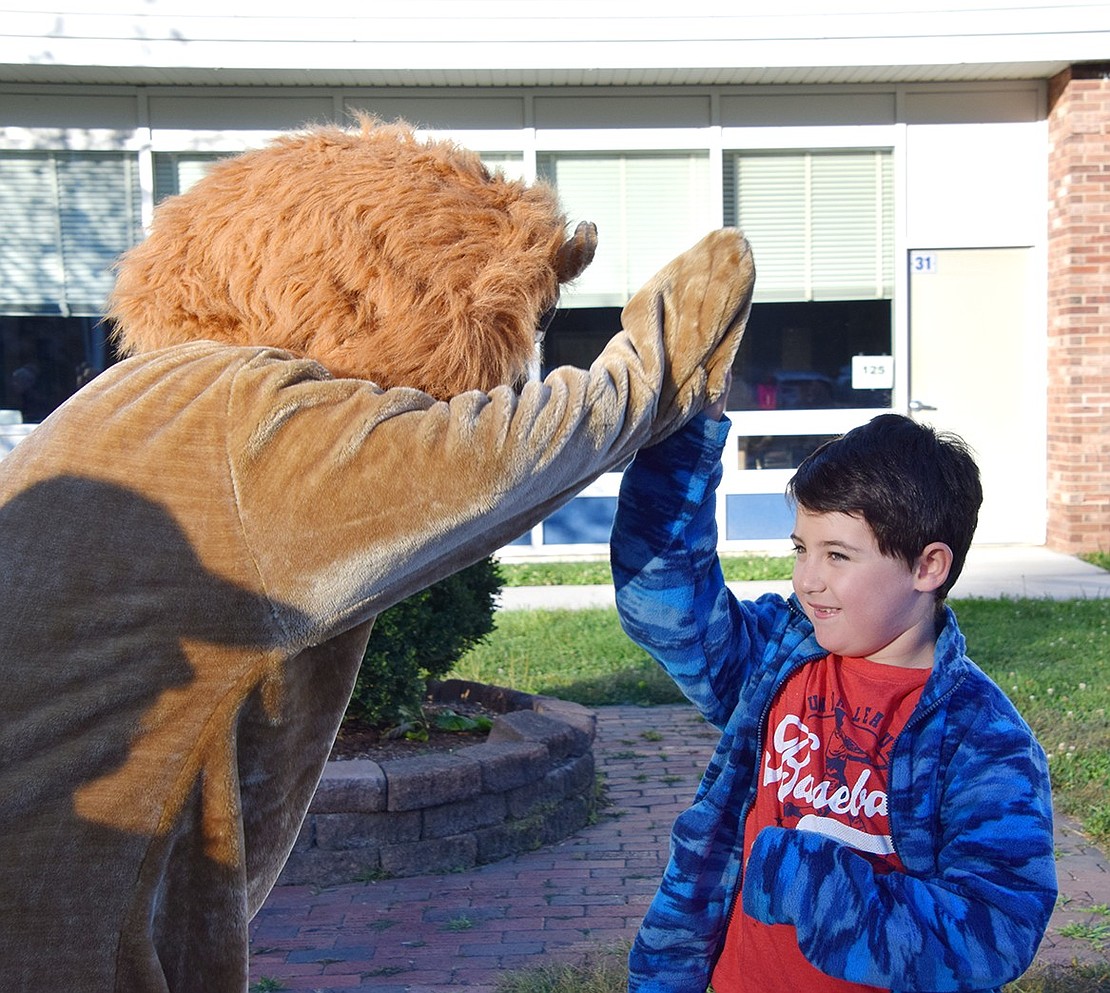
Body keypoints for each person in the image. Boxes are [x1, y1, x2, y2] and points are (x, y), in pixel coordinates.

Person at [610, 380, 1057, 993]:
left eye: (838, 556)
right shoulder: (778, 659)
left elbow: (996, 930)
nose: (806, 581)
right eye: (801, 549)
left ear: (928, 566)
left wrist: (816, 883)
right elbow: (662, 603)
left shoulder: (984, 739)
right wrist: (688, 435)